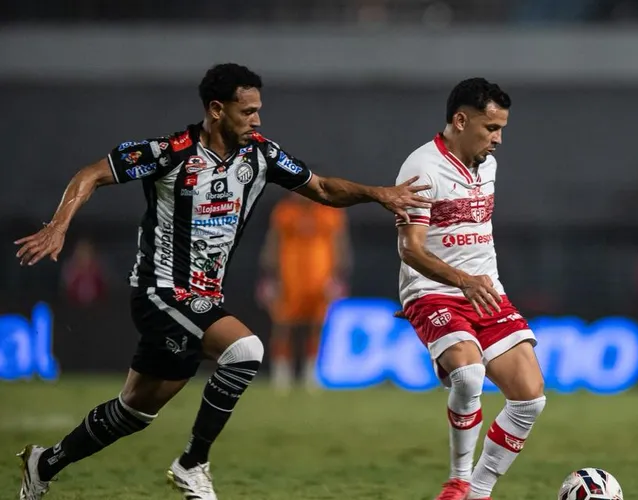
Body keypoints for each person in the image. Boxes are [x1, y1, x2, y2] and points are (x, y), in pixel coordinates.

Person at [13, 62, 431, 500]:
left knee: (133, 413)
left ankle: (45, 463)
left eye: (258, 110)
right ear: (216, 109)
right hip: (161, 292)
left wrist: (379, 194)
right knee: (246, 350)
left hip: (203, 298)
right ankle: (193, 464)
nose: (257, 120)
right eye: (247, 111)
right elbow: (92, 173)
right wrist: (58, 225)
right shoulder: (170, 152)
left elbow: (323, 189)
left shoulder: (261, 156)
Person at [395, 78, 545, 500]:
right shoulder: (422, 168)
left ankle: (478, 493)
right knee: (467, 373)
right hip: (433, 290)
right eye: (490, 128)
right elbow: (411, 249)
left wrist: (477, 281)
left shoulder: (488, 165)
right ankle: (458, 481)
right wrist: (459, 281)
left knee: (530, 399)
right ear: (460, 121)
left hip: (485, 290)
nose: (498, 139)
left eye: (501, 130)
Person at [259, 191, 352, 391]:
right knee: (283, 325)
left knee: (317, 325)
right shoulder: (285, 211)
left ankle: (312, 373)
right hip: (289, 278)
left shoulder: (329, 212)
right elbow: (273, 242)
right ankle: (281, 374)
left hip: (321, 277)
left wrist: (339, 278)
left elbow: (339, 243)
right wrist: (268, 277)